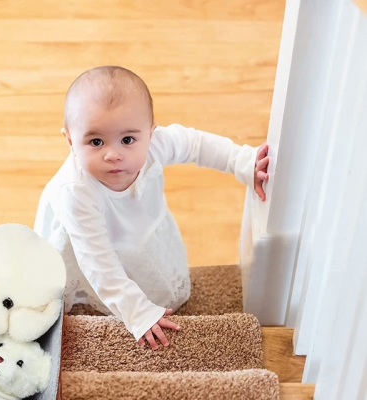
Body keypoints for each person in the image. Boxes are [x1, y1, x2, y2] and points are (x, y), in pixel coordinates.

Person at [34, 66, 270, 350]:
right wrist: (138, 313)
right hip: (85, 241)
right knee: (91, 280)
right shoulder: (75, 193)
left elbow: (196, 144)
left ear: (150, 133)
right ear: (71, 141)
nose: (113, 154)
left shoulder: (157, 144)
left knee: (146, 263)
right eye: (96, 141)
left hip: (138, 224)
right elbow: (99, 264)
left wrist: (242, 161)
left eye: (128, 140)